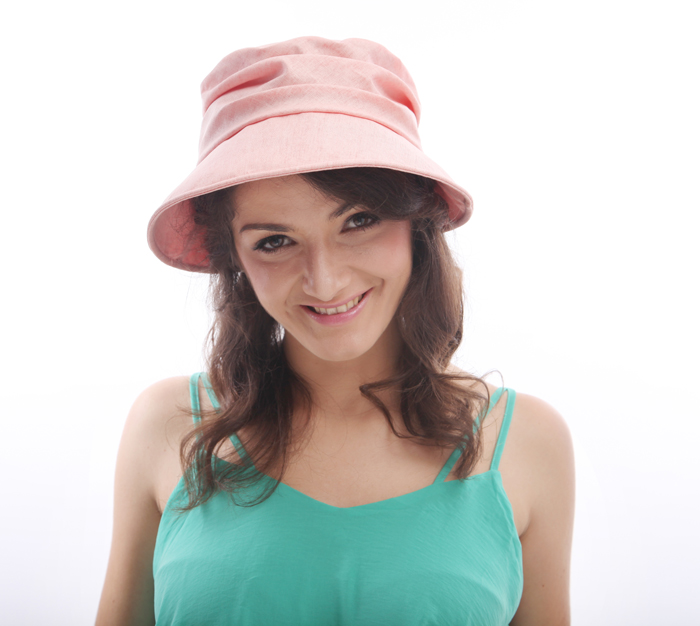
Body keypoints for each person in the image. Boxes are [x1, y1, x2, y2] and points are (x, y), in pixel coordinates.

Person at [96, 37, 575, 626]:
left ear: (418, 225)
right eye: (274, 241)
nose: (324, 280)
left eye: (358, 220)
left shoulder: (527, 442)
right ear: (235, 259)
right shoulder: (169, 426)